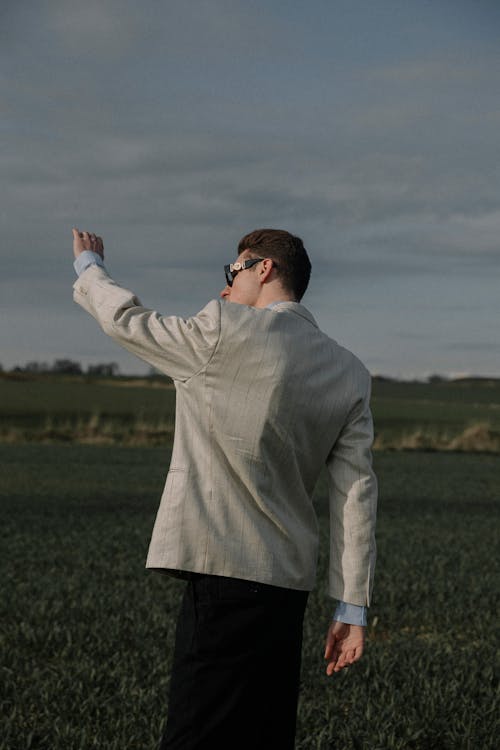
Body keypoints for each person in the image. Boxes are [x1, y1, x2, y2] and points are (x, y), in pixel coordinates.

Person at [71, 227, 377, 749]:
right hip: (287, 590)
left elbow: (127, 321)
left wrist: (89, 268)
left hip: (222, 579)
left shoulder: (222, 329)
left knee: (197, 735)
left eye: (231, 273)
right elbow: (356, 494)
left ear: (264, 269)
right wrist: (351, 606)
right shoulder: (349, 372)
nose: (224, 288)